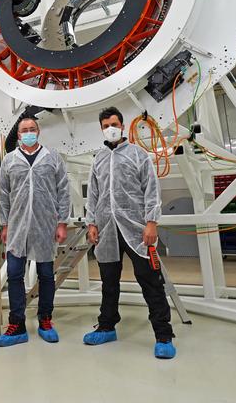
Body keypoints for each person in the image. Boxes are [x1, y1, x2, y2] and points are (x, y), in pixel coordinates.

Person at [83, 106, 176, 359]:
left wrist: (151, 222)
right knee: (108, 282)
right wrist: (92, 224)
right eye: (105, 126)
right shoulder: (98, 158)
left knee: (150, 281)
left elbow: (151, 189)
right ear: (101, 129)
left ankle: (163, 335)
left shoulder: (138, 155)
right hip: (106, 230)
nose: (110, 129)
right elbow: (93, 194)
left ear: (122, 126)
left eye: (114, 124)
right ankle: (106, 326)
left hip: (136, 229)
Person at [0, 114, 70, 347]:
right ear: (18, 135)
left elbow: (63, 190)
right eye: (24, 129)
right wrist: (5, 224)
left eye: (32, 128)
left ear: (38, 132)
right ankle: (16, 324)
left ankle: (45, 319)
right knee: (15, 273)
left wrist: (62, 222)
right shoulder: (9, 160)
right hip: (17, 226)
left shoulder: (52, 158)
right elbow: (3, 194)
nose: (28, 132)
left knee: (46, 274)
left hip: (45, 225)